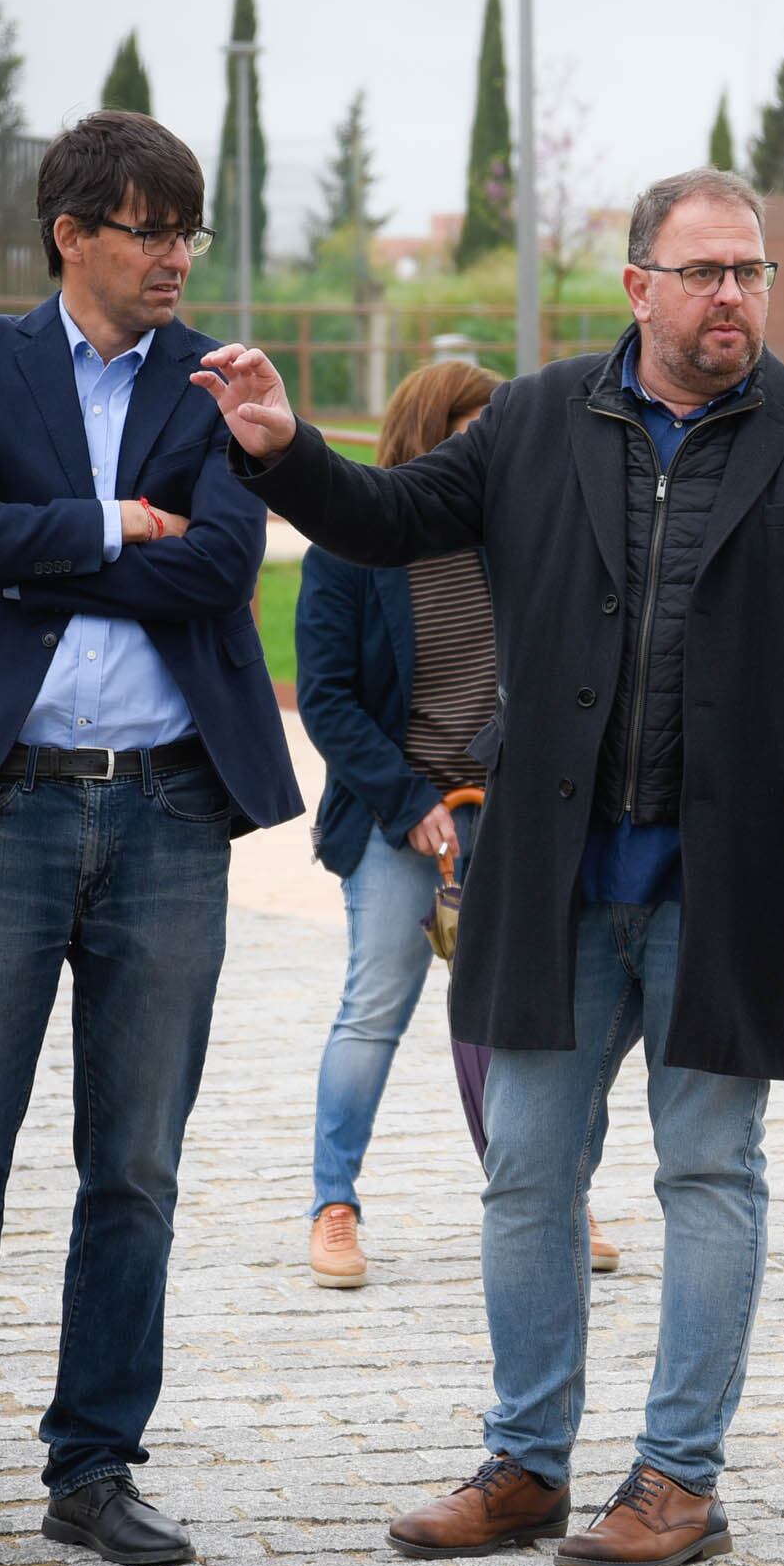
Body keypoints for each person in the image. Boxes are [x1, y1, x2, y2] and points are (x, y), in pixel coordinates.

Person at [200, 167, 784, 1566]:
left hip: (742, 884)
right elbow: (385, 517)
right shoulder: (536, 419)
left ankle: (677, 1480)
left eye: (752, 273)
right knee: (528, 1166)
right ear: (638, 284)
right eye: (705, 271)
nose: (733, 296)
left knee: (710, 1170)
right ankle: (529, 1463)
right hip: (554, 875)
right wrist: (282, 450)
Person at [0, 112, 302, 1566]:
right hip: (1, 806)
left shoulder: (214, 380)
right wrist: (111, 523)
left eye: (189, 231)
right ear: (72, 233)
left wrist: (30, 535)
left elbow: (226, 566)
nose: (176, 255)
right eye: (148, 228)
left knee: (137, 1168)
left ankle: (93, 1469)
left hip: (171, 811)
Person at [293, 359, 620, 1287]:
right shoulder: (354, 547)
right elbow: (327, 699)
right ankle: (334, 1205)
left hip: (509, 816)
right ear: (432, 434)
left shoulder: (516, 538)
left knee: (516, 1022)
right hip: (398, 817)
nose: (493, 451)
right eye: (475, 432)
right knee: (375, 1005)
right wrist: (409, 804)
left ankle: (552, 1196)